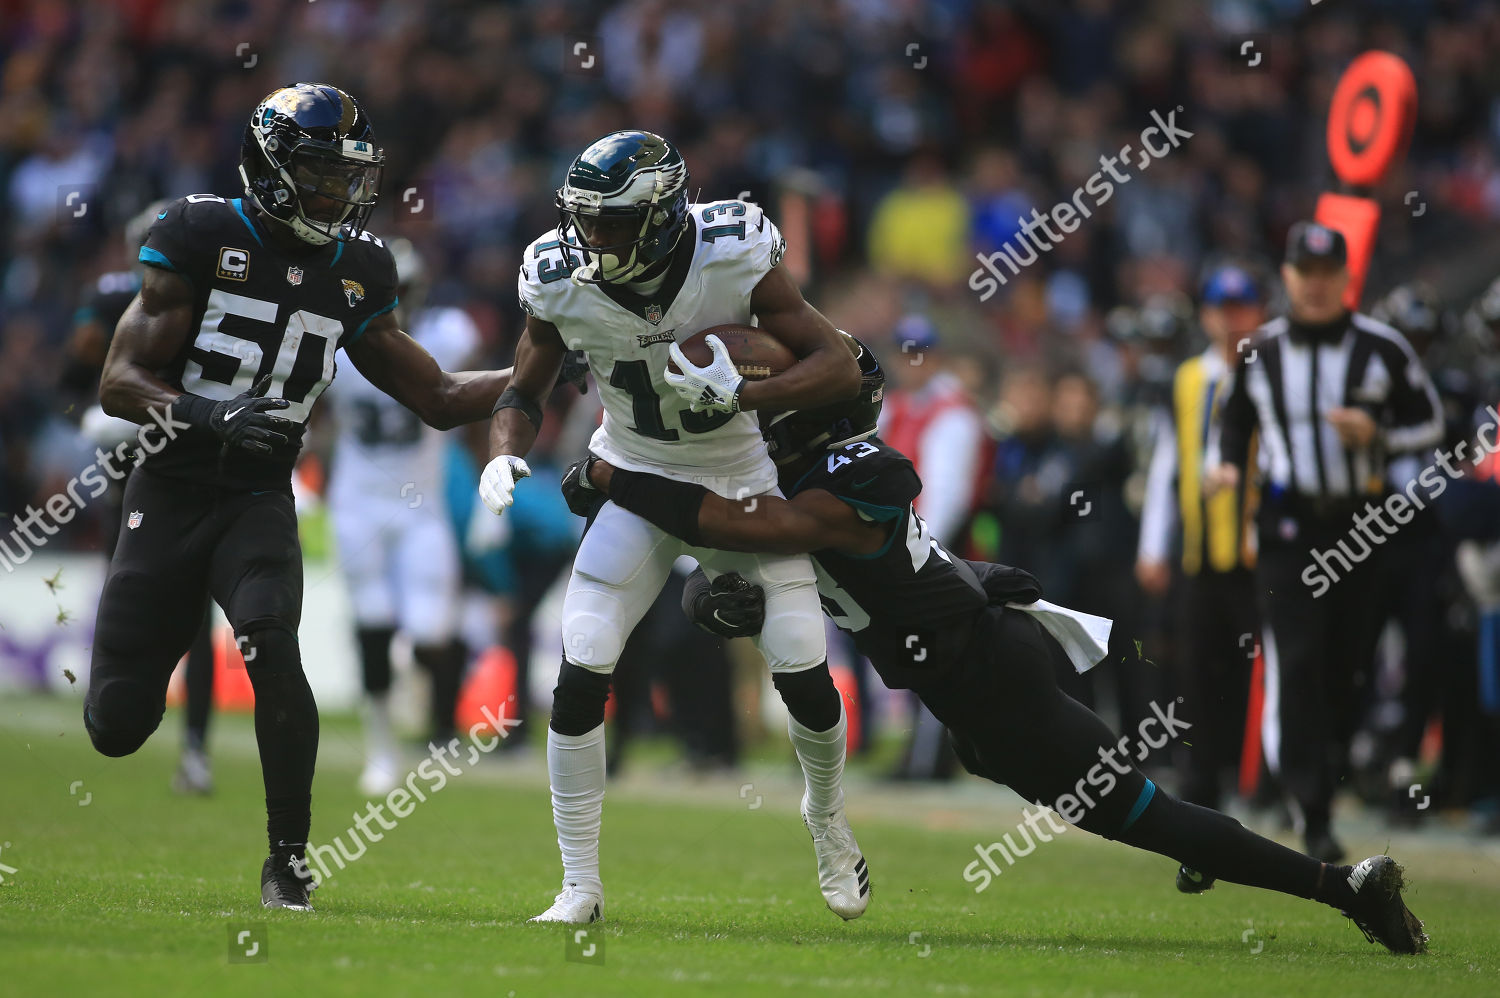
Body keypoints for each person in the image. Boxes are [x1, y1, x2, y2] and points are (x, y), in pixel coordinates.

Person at [563, 334, 1428, 956]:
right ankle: (1223, 845)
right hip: (969, 678)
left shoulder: (854, 476)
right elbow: (766, 568)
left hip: (991, 675)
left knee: (1145, 818)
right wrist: (718, 599)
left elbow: (755, 527)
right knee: (1129, 809)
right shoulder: (804, 480)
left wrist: (618, 480)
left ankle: (1344, 889)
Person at [86, 83, 512, 912]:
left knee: (271, 641)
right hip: (169, 490)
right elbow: (117, 382)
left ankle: (288, 861)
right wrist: (213, 413)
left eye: (350, 175)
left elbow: (437, 396)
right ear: (275, 166)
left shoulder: (358, 269)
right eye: (323, 172)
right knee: (116, 724)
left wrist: (536, 372)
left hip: (255, 497)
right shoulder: (202, 233)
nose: (340, 192)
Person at [476, 129, 867, 925]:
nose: (592, 237)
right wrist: (503, 451)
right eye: (584, 219)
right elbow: (523, 391)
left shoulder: (731, 249)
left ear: (658, 216)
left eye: (611, 222)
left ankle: (827, 818)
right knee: (582, 656)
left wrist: (746, 396)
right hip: (637, 478)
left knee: (799, 661)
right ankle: (579, 884)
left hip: (741, 479)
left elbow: (840, 366)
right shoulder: (558, 277)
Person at [1205, 221, 1443, 861]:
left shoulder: (1384, 349)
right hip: (1286, 526)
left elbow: (1432, 424)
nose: (1313, 286)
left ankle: (1327, 769)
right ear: (1287, 277)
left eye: (1325, 274)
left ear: (1345, 279)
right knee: (1300, 658)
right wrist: (1227, 464)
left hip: (1361, 524)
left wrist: (1378, 434)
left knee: (1348, 663)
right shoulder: (1259, 351)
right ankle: (1313, 811)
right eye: (1302, 273)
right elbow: (1234, 418)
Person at [61, 200, 219, 795]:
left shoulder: (219, 300)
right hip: (129, 474)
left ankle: (196, 748)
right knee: (125, 598)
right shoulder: (111, 303)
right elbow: (71, 384)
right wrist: (90, 423)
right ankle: (112, 712)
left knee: (196, 620)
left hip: (194, 468)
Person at [324, 237, 478, 794]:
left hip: (422, 507)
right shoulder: (337, 347)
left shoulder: (446, 337)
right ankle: (381, 749)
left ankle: (413, 685)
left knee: (430, 629)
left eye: (405, 290)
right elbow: (310, 416)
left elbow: (466, 402)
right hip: (357, 504)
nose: (397, 300)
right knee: (371, 624)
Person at [1137, 264, 1267, 809]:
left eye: (1241, 307)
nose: (1231, 319)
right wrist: (1152, 543)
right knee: (1194, 666)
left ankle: (1264, 779)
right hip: (1197, 550)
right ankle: (1201, 780)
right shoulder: (1188, 376)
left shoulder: (1270, 367)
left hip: (1256, 549)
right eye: (1221, 307)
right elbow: (1170, 459)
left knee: (1261, 669)